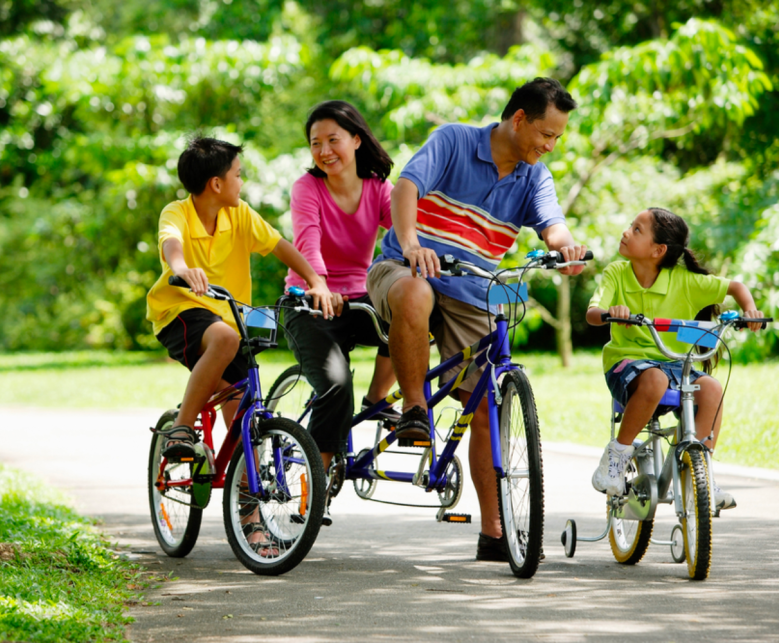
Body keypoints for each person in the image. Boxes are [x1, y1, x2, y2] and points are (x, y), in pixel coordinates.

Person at [365, 77, 588, 561]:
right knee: (415, 291)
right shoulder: (455, 140)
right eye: (546, 134)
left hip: (472, 288)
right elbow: (406, 188)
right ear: (519, 118)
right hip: (404, 267)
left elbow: (552, 222)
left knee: (487, 404)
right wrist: (410, 244)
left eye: (558, 139)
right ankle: (415, 413)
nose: (549, 146)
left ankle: (495, 533)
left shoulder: (533, 176)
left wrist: (564, 246)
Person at [145, 137, 336, 539]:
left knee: (246, 427)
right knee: (225, 341)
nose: (242, 182)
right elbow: (171, 246)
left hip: (230, 320)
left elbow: (282, 247)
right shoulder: (177, 212)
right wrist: (184, 270)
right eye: (237, 175)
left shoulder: (241, 216)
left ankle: (251, 523)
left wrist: (316, 281)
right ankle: (181, 428)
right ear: (216, 183)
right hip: (181, 312)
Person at [586, 207, 763, 509]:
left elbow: (735, 286)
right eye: (631, 225)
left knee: (712, 388)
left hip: (673, 364)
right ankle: (616, 457)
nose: (626, 232)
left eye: (637, 229)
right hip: (626, 363)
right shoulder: (616, 272)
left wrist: (750, 309)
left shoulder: (684, 281)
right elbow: (592, 314)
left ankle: (702, 473)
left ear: (658, 250)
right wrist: (610, 314)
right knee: (654, 378)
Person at [284, 100, 399, 472]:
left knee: (413, 320)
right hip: (309, 301)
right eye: (315, 143)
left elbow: (404, 231)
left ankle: (377, 401)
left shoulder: (378, 188)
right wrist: (318, 284)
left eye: (333, 140)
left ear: (356, 140)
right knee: (335, 386)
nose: (324, 151)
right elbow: (307, 240)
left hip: (359, 301)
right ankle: (316, 483)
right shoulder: (307, 188)